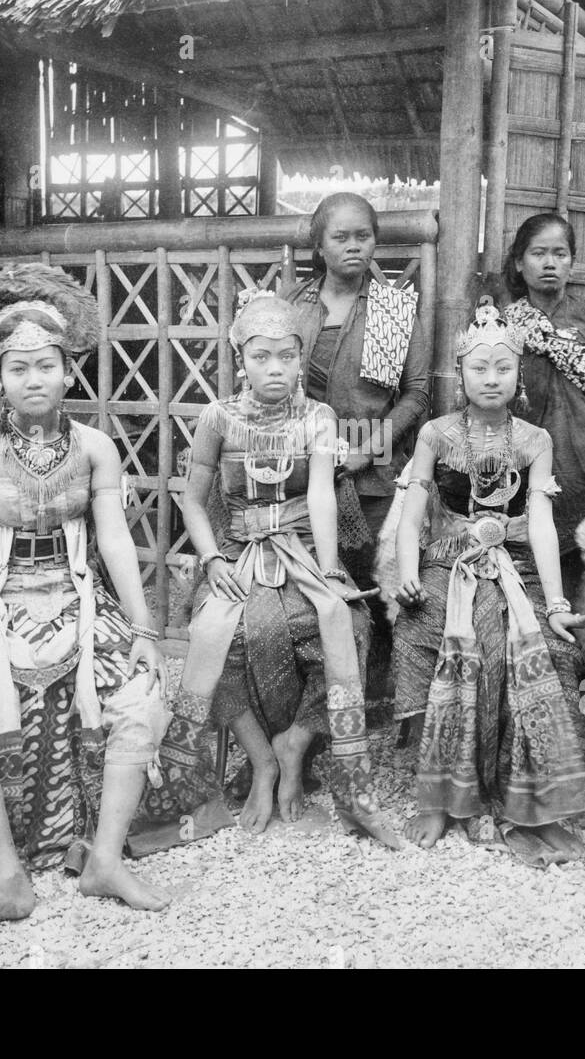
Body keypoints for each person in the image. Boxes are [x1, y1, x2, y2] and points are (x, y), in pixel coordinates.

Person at [0, 263, 220, 945]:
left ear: (69, 372)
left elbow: (113, 541)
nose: (33, 380)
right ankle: (6, 879)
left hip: (81, 604)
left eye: (46, 365)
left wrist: (141, 629)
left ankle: (105, 861)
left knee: (141, 700)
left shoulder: (96, 449)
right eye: (17, 369)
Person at [174, 290, 401, 848]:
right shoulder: (217, 417)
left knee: (347, 624)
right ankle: (260, 759)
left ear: (301, 359)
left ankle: (296, 742)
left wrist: (328, 569)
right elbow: (192, 500)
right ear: (241, 361)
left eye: (286, 356)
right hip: (238, 555)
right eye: (260, 357)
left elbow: (322, 494)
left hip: (303, 550)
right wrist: (211, 558)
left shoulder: (319, 418)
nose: (274, 368)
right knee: (215, 635)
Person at [385, 300, 585, 867]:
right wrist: (407, 575)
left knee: (548, 648)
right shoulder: (435, 434)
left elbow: (540, 526)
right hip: (447, 561)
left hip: (515, 566)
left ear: (519, 374)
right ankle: (439, 798)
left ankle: (529, 799)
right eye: (479, 367)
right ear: (460, 375)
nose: (490, 378)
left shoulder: (534, 440)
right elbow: (411, 521)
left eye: (502, 367)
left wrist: (556, 602)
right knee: (421, 635)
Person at [282, 193, 430, 694]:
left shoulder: (393, 305)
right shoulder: (295, 306)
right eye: (339, 237)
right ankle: (319, 684)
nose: (353, 247)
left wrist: (368, 449)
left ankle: (376, 691)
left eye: (362, 236)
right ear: (319, 245)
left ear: (375, 241)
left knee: (372, 574)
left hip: (375, 465)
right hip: (303, 464)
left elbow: (416, 393)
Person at [498, 213, 585, 601]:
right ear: (518, 262)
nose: (549, 262)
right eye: (538, 253)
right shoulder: (504, 323)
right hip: (537, 466)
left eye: (559, 254)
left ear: (571, 262)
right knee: (545, 567)